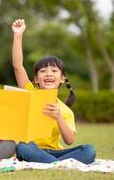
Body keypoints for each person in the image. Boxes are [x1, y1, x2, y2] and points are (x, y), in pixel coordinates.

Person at [11, 19, 96, 164]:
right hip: (32, 149)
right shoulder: (30, 93)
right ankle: (58, 165)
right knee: (23, 147)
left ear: (62, 78)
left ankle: (51, 163)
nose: (49, 74)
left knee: (89, 150)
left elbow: (70, 140)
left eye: (54, 71)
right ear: (36, 79)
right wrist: (18, 35)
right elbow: (18, 66)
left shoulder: (64, 110)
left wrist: (59, 118)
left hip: (56, 152)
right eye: (43, 71)